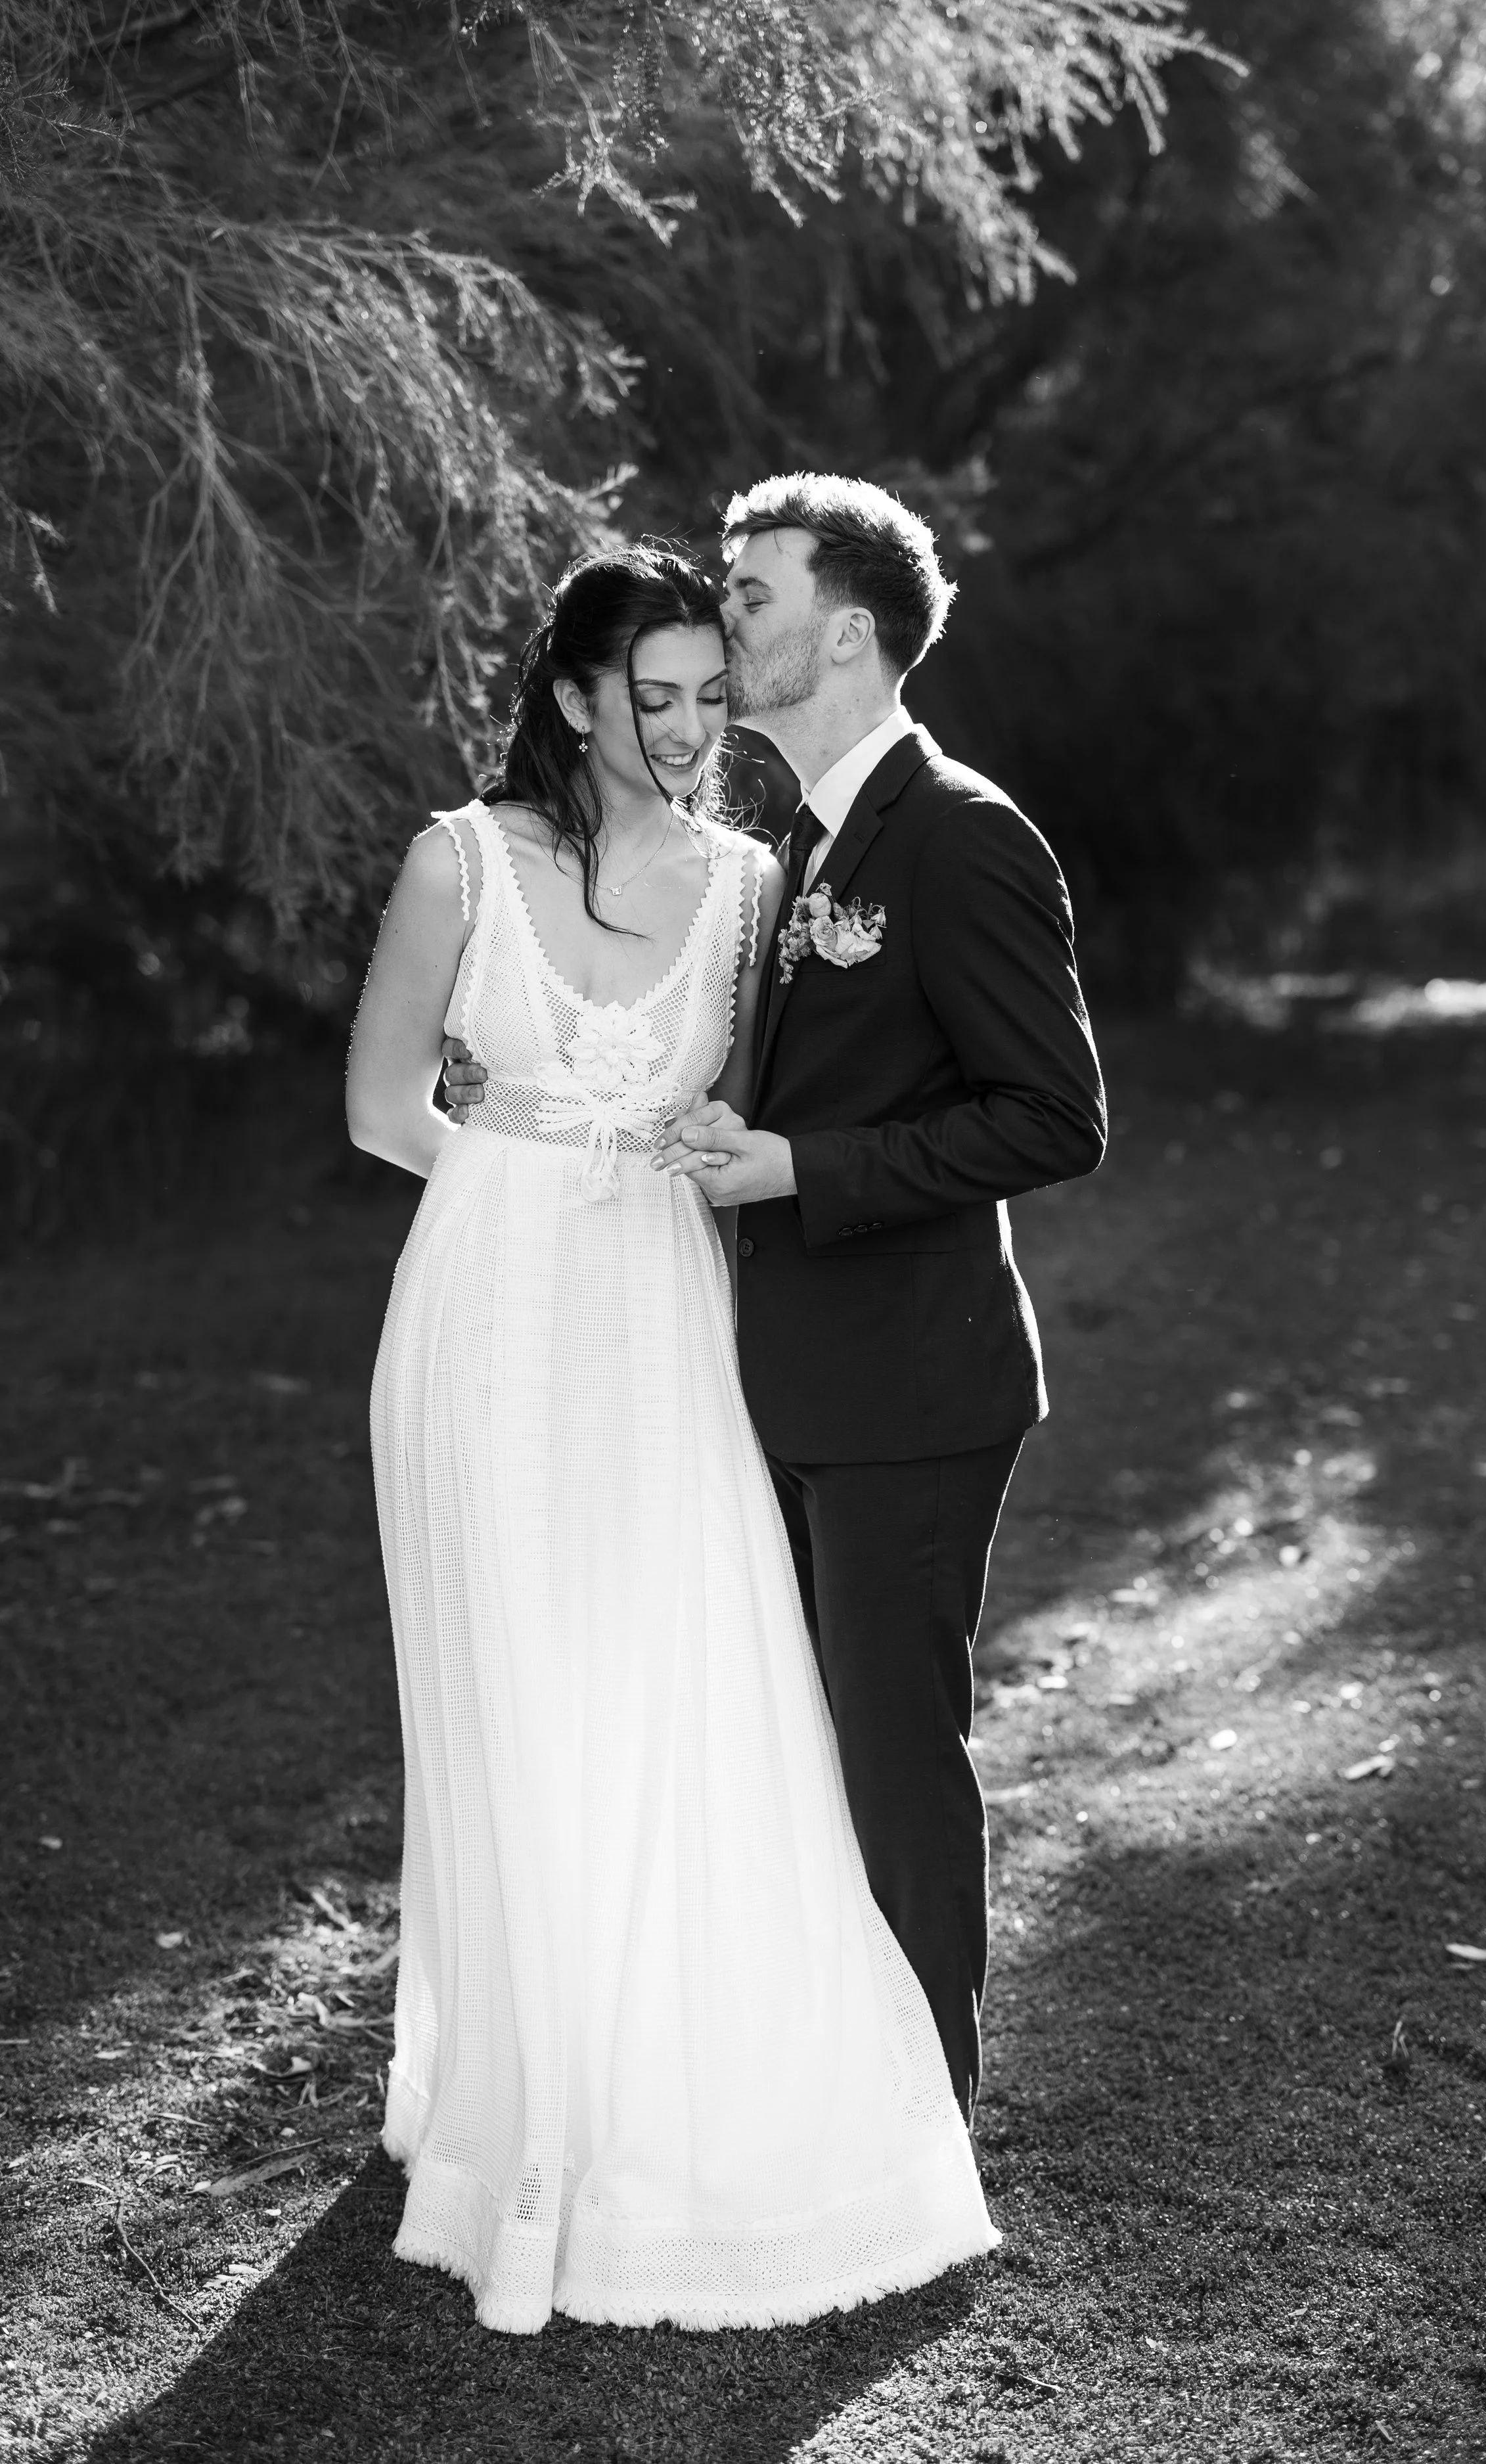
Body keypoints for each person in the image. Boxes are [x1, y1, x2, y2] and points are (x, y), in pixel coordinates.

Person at [347, 543, 999, 2337]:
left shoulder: (751, 882)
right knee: (510, 1692)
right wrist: (520, 1149)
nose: (700, 727)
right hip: (481, 1315)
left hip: (665, 1322)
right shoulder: (455, 861)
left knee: (671, 1676)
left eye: (719, 692)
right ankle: (514, 2093)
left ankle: (663, 2072)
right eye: (662, 696)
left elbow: (784, 1101)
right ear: (572, 697)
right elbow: (381, 1102)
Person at [445, 478, 1108, 2127]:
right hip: (779, 1377)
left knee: (888, 1764)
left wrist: (807, 1171)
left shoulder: (959, 835)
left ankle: (924, 2123)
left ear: (850, 631)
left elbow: (1053, 1118)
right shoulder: (796, 847)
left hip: (908, 1391)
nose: (723, 621)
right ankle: (826, 2090)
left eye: (751, 597)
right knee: (799, 1762)